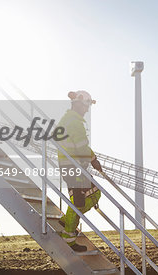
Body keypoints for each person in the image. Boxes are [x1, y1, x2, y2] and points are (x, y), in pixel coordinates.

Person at [57, 90, 103, 252]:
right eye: (86, 106)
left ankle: (66, 221)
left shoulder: (67, 120)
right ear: (78, 104)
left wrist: (91, 159)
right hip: (74, 168)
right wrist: (93, 160)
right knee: (88, 197)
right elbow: (82, 147)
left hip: (70, 167)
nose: (87, 109)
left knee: (85, 197)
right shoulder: (75, 123)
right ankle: (68, 234)